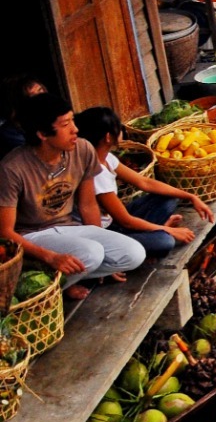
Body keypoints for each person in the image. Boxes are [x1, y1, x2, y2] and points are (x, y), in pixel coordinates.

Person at [0, 93, 145, 294]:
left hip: (68, 226)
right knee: (91, 253)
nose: (75, 130)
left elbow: (88, 205)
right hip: (32, 236)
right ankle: (45, 290)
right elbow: (5, 232)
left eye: (73, 121)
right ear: (42, 134)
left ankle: (71, 277)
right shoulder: (12, 168)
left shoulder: (82, 149)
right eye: (66, 124)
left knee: (133, 254)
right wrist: (50, 257)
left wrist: (104, 249)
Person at [75, 106, 213, 256]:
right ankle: (155, 232)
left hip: (116, 220)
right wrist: (169, 230)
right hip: (110, 231)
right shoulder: (96, 173)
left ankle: (153, 230)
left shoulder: (106, 157)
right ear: (108, 137)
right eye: (119, 128)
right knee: (165, 242)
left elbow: (144, 182)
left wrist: (191, 197)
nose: (122, 131)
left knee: (170, 196)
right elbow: (126, 221)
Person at [0, 76, 49, 161]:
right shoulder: (10, 133)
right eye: (33, 96)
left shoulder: (51, 118)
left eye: (41, 91)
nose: (42, 98)